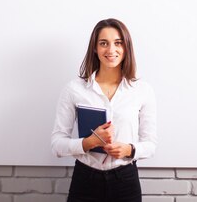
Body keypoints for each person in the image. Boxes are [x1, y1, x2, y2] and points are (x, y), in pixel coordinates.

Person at [51, 18, 157, 202]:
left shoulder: (142, 90)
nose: (111, 50)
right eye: (103, 43)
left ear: (126, 47)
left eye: (118, 43)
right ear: (95, 48)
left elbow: (150, 144)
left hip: (125, 181)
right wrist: (88, 143)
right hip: (85, 180)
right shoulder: (74, 89)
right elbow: (56, 144)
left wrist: (129, 150)